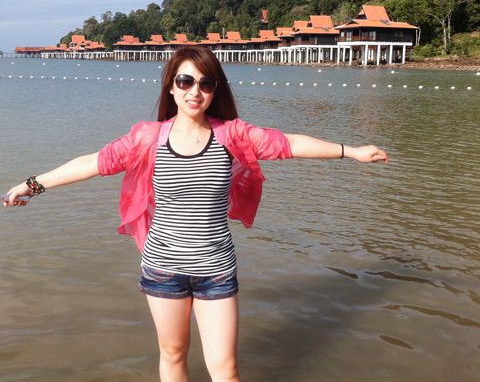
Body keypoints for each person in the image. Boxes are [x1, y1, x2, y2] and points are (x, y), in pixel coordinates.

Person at [3, 46, 388, 382]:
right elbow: (92, 162)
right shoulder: (147, 138)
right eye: (185, 81)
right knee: (173, 356)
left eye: (205, 83)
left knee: (226, 370)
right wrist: (32, 185)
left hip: (216, 271)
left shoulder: (233, 135)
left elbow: (288, 143)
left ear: (214, 90)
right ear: (171, 86)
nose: (195, 91)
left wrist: (351, 151)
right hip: (163, 269)